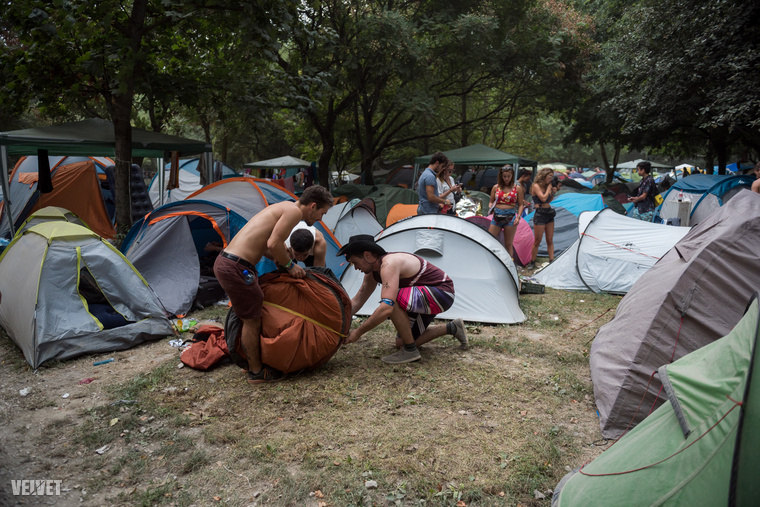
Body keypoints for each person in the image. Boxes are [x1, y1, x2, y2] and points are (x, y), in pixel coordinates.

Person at [213, 185, 333, 383]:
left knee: (249, 315)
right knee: (251, 319)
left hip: (231, 263)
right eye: (322, 213)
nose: (320, 219)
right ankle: (256, 372)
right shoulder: (294, 212)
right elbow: (273, 244)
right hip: (235, 266)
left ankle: (249, 361)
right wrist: (290, 265)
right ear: (313, 206)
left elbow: (266, 244)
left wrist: (279, 258)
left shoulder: (284, 207)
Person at [338, 235, 468, 364]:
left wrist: (358, 332)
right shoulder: (372, 272)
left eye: (355, 262)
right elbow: (358, 300)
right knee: (402, 342)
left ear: (367, 255)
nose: (355, 268)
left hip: (442, 293)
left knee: (390, 302)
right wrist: (338, 321)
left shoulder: (388, 264)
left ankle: (410, 351)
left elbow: (387, 308)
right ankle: (452, 327)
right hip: (423, 296)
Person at [487, 165, 524, 259]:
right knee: (490, 240)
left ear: (512, 176)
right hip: (497, 215)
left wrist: (518, 217)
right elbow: (491, 201)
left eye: (508, 176)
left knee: (508, 244)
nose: (506, 178)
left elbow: (520, 204)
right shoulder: (496, 187)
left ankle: (509, 265)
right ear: (501, 176)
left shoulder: (517, 188)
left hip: (510, 216)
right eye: (504, 176)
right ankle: (490, 260)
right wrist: (490, 206)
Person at [528, 168, 559, 269]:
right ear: (544, 176)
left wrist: (553, 193)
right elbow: (543, 198)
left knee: (549, 239)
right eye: (549, 176)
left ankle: (551, 260)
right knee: (537, 240)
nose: (551, 179)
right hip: (540, 214)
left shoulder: (547, 186)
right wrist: (550, 188)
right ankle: (532, 261)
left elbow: (548, 200)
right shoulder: (536, 186)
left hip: (548, 212)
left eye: (552, 177)